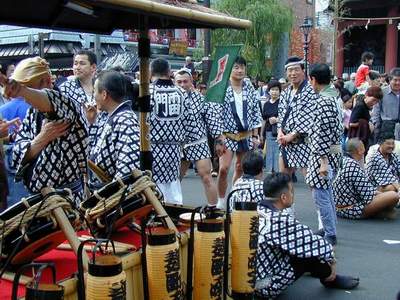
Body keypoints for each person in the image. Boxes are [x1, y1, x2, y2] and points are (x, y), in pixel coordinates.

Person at [255, 172, 359, 298]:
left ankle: (319, 269)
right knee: (312, 253)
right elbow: (320, 247)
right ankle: (330, 279)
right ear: (284, 197)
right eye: (291, 191)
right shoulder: (280, 220)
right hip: (265, 286)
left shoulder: (257, 209)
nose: (293, 194)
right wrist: (332, 262)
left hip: (251, 278)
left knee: (308, 241)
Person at [0, 57, 89, 203]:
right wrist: (39, 141)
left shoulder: (69, 105)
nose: (25, 97)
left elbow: (49, 99)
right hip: (37, 199)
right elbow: (17, 153)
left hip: (68, 199)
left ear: (47, 81)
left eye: (30, 88)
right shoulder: (31, 113)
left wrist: (23, 91)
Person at [217, 56, 262, 209]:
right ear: (229, 69)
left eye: (242, 67)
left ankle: (234, 196)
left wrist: (256, 135)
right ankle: (221, 200)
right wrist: (219, 137)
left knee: (240, 168)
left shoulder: (249, 88)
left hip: (246, 134)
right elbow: (216, 113)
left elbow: (256, 112)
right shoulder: (223, 88)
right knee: (223, 169)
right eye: (236, 67)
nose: (240, 70)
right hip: (227, 134)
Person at [305, 64, 343, 246]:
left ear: (313, 79)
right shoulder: (333, 95)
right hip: (331, 151)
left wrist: (323, 161)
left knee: (321, 195)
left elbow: (322, 132)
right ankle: (330, 228)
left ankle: (330, 232)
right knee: (326, 193)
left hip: (324, 154)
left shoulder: (324, 101)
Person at [149, 58, 196, 204]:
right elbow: (190, 122)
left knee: (152, 186)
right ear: (169, 72)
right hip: (174, 148)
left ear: (151, 72)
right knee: (173, 186)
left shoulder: (147, 92)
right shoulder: (181, 93)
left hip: (151, 147)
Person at [175, 68, 224, 206]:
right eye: (179, 82)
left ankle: (214, 209)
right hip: (178, 143)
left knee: (207, 177)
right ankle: (171, 207)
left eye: (185, 81)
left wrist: (219, 139)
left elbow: (212, 121)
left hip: (198, 141)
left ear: (191, 82)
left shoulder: (201, 99)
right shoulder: (171, 99)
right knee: (174, 180)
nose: (183, 84)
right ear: (174, 82)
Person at [88, 70, 140, 189]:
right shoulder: (108, 115)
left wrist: (113, 192)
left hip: (112, 193)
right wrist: (90, 122)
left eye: (95, 92)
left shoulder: (125, 119)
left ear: (104, 94)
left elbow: (128, 163)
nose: (93, 96)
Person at [333, 138, 399, 219]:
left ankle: (383, 211)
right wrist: (384, 198)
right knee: (393, 195)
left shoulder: (344, 160)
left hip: (344, 204)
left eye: (392, 144)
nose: (391, 146)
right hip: (350, 208)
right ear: (360, 150)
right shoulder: (354, 164)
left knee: (389, 192)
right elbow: (367, 196)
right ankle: (381, 212)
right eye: (388, 143)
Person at [277, 56, 316, 176]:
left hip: (304, 141)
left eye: (296, 69)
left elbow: (308, 117)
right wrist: (280, 132)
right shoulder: (285, 92)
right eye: (290, 70)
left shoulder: (310, 91)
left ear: (303, 71)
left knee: (311, 180)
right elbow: (281, 114)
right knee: (283, 181)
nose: (293, 73)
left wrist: (293, 134)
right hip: (286, 141)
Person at [371, 68, 400, 140]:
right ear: (390, 80)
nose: (398, 83)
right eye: (395, 80)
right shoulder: (382, 92)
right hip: (386, 126)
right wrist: (377, 126)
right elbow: (376, 111)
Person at [260, 80, 280, 173]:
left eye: (276, 89)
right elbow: (264, 120)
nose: (274, 92)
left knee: (277, 152)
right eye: (272, 89)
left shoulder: (282, 102)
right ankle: (270, 172)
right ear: (268, 91)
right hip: (268, 131)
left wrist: (277, 119)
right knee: (269, 152)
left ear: (280, 91)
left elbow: (286, 117)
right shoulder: (266, 104)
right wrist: (261, 134)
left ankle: (277, 171)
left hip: (279, 131)